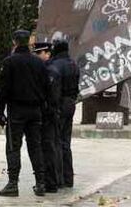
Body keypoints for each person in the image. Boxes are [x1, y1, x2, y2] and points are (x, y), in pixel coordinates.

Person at [0, 30, 50, 197]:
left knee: (13, 147)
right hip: (35, 111)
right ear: (29, 41)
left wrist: (0, 112)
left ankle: (13, 184)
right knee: (35, 147)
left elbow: (2, 89)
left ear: (14, 42)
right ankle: (40, 183)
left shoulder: (9, 62)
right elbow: (46, 87)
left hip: (17, 111)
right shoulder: (39, 63)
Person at [48, 39, 79, 188]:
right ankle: (68, 178)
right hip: (71, 103)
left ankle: (58, 178)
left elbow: (54, 90)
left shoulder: (56, 65)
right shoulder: (73, 64)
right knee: (66, 142)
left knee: (56, 142)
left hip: (60, 104)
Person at [33, 42, 61, 193]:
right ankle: (49, 181)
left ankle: (50, 182)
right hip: (45, 115)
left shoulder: (50, 71)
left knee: (48, 149)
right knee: (46, 148)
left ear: (47, 54)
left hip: (48, 116)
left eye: (39, 53)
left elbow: (52, 98)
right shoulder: (44, 70)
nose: (37, 56)